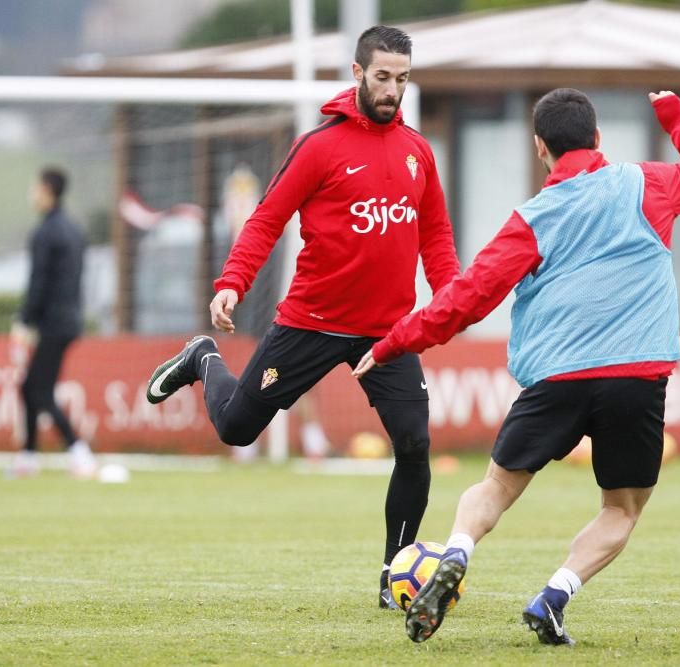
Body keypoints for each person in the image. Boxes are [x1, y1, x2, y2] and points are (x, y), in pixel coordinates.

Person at [353, 88, 680, 645]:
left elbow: (468, 299)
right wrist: (676, 117)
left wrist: (393, 342)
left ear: (540, 148)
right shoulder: (646, 183)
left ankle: (455, 552)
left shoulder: (533, 217)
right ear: (598, 138)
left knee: (496, 487)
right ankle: (554, 597)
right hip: (634, 377)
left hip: (555, 378)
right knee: (622, 510)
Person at [145, 26, 460, 608]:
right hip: (312, 322)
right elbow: (266, 219)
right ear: (358, 72)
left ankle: (396, 575)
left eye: (403, 79)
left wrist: (451, 299)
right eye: (384, 77)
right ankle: (202, 358)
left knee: (414, 445)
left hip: (386, 333)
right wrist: (232, 283)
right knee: (237, 430)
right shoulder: (320, 146)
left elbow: (435, 234)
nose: (393, 89)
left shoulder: (418, 152)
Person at [9, 166, 95, 479]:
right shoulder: (73, 229)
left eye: (35, 187)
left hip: (52, 323)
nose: (32, 193)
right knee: (30, 386)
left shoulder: (45, 233)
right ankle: (28, 456)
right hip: (70, 319)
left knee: (40, 391)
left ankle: (78, 452)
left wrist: (25, 320)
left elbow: (39, 282)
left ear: (46, 190)